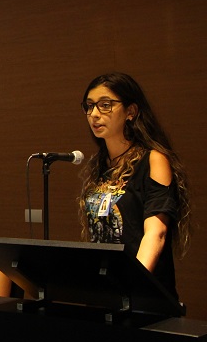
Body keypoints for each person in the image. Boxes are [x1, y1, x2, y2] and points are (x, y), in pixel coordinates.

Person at [79, 72, 191, 298]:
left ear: (130, 111)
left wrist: (133, 286)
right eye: (89, 106)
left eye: (105, 105)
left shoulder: (153, 160)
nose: (94, 114)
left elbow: (156, 233)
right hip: (107, 292)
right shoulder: (99, 164)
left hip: (142, 295)